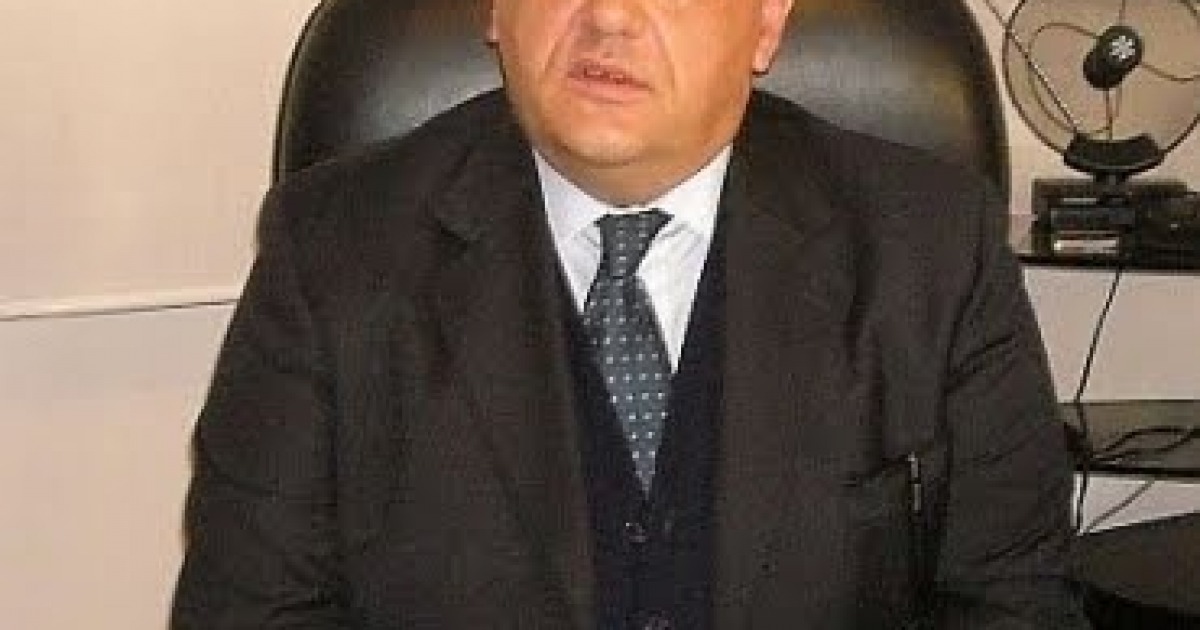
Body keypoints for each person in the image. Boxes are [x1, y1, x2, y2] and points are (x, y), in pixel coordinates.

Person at [171, 0, 1091, 628]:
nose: (609, 16)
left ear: (766, 22)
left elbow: (1012, 603)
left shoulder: (932, 248)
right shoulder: (332, 255)